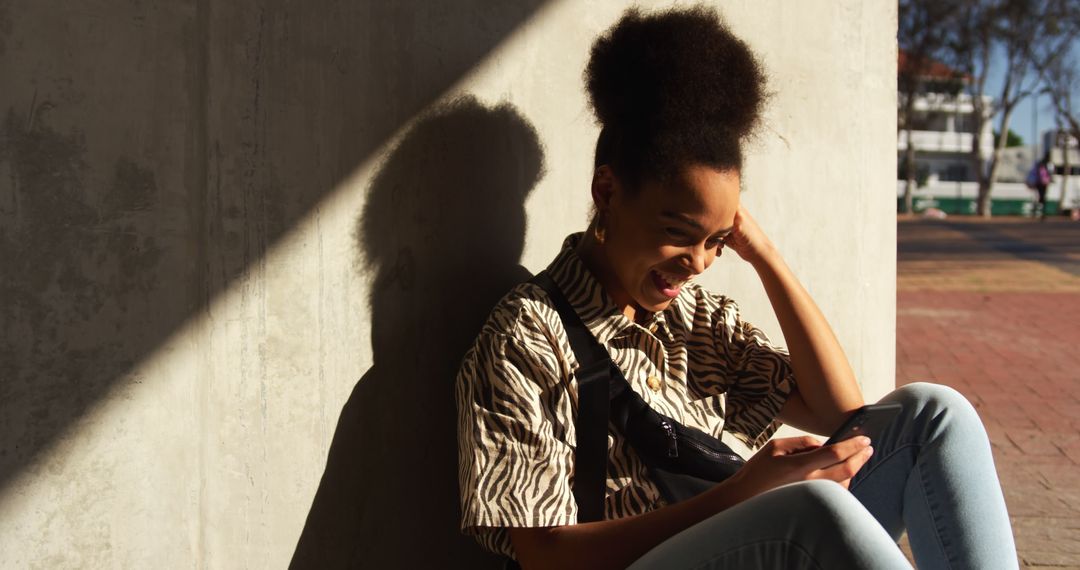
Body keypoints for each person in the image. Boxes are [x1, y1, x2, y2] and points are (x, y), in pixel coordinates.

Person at [455, 7, 1017, 569]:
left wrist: (764, 255)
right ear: (607, 189)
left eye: (718, 240)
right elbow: (544, 557)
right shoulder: (524, 337)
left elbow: (841, 412)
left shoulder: (693, 320)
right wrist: (743, 493)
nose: (698, 262)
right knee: (813, 513)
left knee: (933, 414)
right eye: (678, 233)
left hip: (739, 541)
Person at [1027, 156, 1054, 220]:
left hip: (1042, 184)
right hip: (1040, 184)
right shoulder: (1040, 169)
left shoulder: (1044, 168)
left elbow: (1048, 176)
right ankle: (1038, 212)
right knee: (1040, 198)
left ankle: (1041, 212)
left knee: (1042, 198)